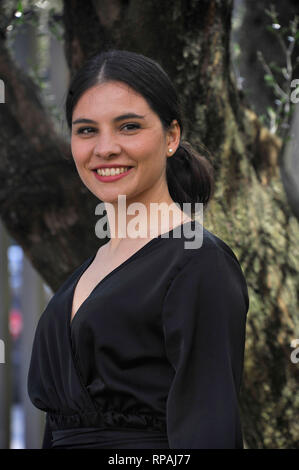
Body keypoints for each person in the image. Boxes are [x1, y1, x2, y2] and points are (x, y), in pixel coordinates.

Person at [27, 50, 249, 449]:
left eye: (128, 126)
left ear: (171, 137)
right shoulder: (87, 271)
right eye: (86, 130)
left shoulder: (199, 262)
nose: (106, 148)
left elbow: (210, 428)